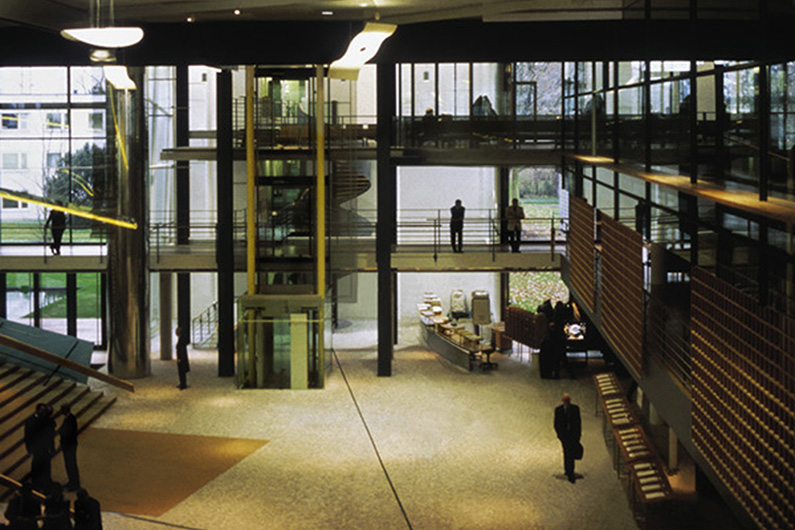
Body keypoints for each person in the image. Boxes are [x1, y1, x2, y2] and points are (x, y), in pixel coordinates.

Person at [24, 403, 56, 491]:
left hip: (44, 446)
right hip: (36, 447)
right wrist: (29, 448)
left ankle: (46, 480)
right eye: (42, 410)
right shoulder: (31, 421)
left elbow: (50, 435)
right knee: (36, 464)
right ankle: (36, 481)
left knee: (46, 464)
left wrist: (52, 447)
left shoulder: (45, 420)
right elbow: (28, 436)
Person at [554, 393, 582, 483]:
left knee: (569, 452)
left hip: (573, 435)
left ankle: (569, 470)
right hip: (564, 436)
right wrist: (560, 435)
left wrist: (578, 435)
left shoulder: (575, 409)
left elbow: (578, 423)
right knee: (567, 452)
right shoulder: (558, 410)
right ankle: (569, 471)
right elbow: (556, 423)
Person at [57, 404, 80, 491]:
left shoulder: (70, 419)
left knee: (71, 464)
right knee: (69, 464)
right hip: (69, 445)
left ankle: (74, 484)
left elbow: (67, 432)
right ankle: (72, 481)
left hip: (69, 445)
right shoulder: (70, 418)